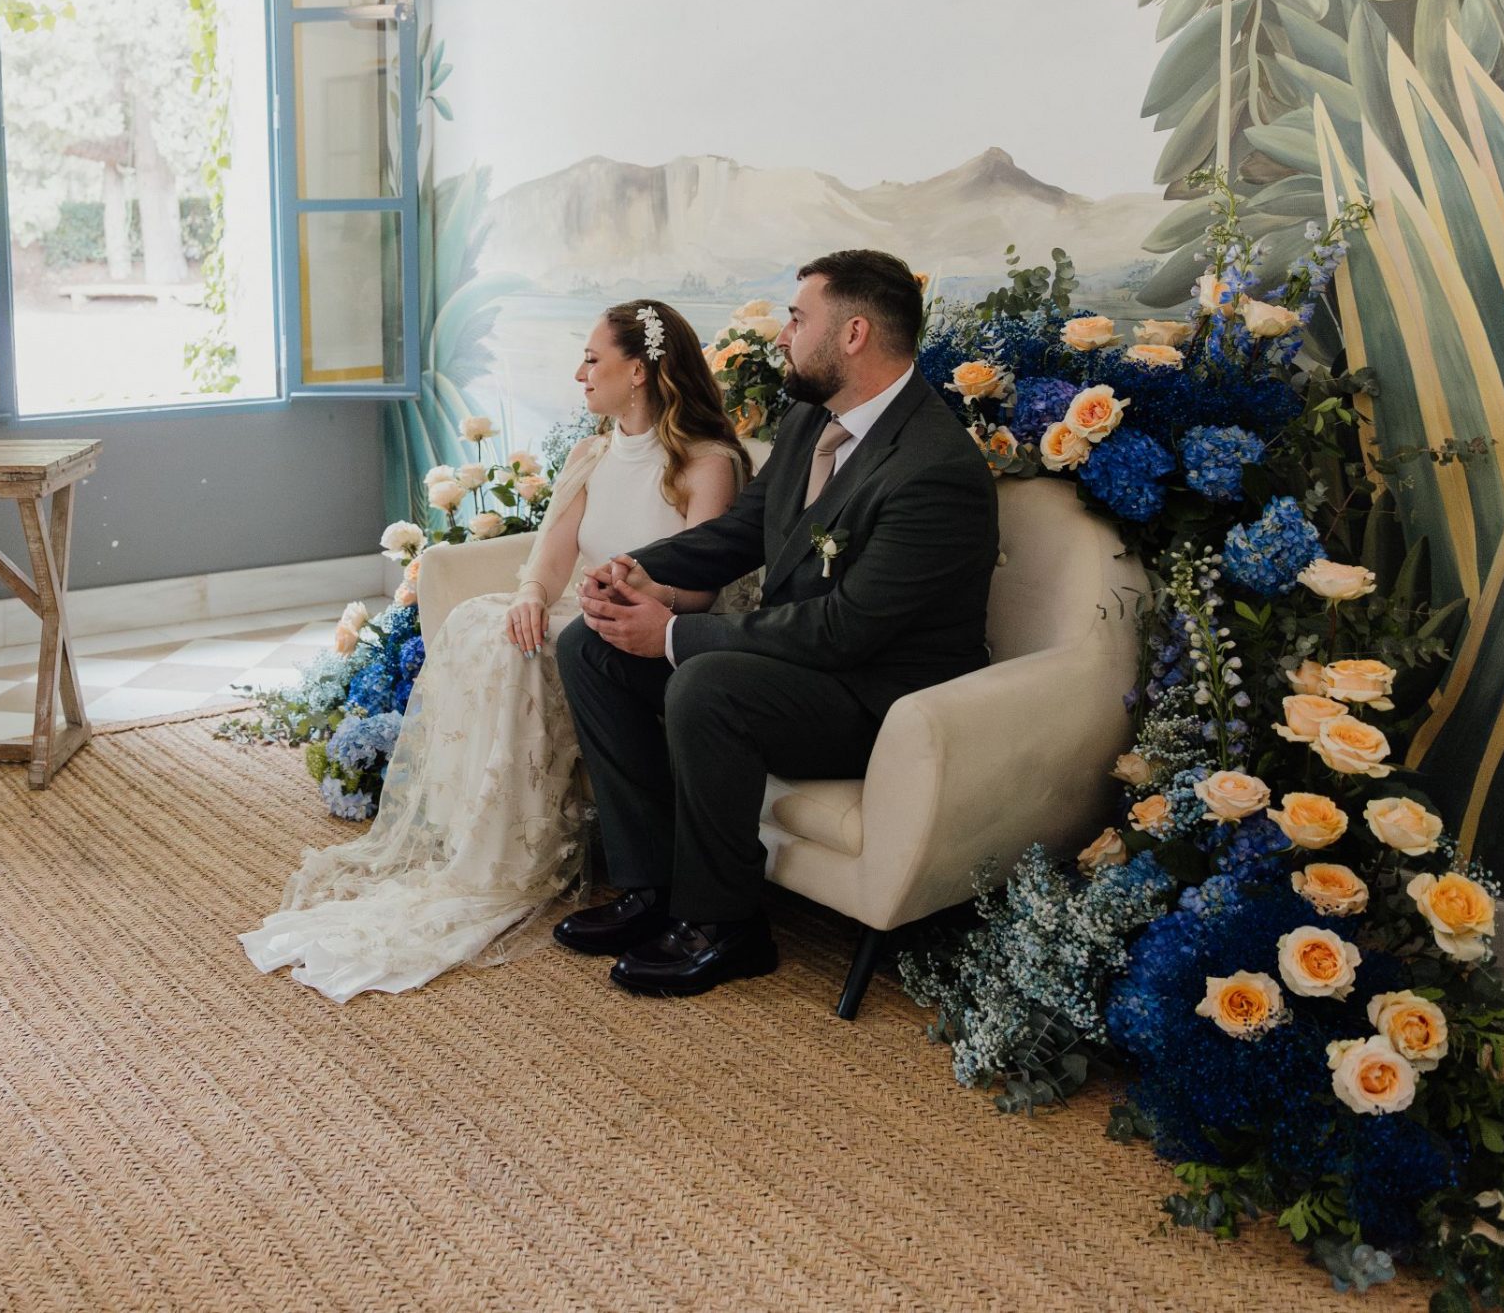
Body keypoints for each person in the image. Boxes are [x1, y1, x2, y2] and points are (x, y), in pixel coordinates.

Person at [242, 300, 746, 1002]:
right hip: (582, 605)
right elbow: (553, 553)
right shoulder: (592, 453)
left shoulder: (707, 462)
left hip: (649, 625)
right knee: (485, 625)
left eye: (592, 359)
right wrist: (532, 594)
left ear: (638, 370)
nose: (580, 373)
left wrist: (637, 587)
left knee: (528, 651)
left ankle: (557, 865)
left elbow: (699, 588)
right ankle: (481, 844)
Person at [552, 248, 999, 998]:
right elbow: (740, 533)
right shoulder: (809, 420)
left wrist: (670, 634)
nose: (783, 336)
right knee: (587, 645)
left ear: (853, 333)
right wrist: (634, 569)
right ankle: (650, 885)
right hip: (806, 667)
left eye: (797, 318)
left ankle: (725, 924)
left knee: (707, 685)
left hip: (880, 702)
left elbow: (845, 629)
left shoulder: (933, 468)